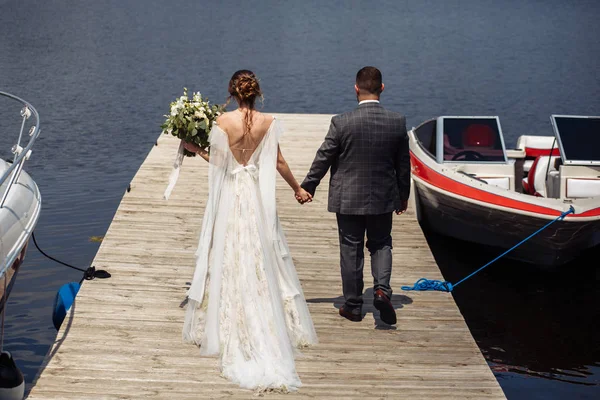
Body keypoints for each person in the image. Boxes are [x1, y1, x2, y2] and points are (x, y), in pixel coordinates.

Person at [181, 70, 317, 392]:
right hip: (255, 195)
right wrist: (298, 189)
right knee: (260, 249)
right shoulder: (268, 122)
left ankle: (228, 319)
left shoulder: (222, 122)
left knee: (229, 248)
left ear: (232, 91)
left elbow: (217, 161)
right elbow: (279, 162)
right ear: (256, 92)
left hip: (231, 192)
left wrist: (191, 147)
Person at [301, 66, 411, 326]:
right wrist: (403, 195)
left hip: (348, 198)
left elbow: (324, 156)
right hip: (383, 197)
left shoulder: (342, 122)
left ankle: (352, 307)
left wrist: (309, 185)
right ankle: (382, 289)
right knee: (381, 243)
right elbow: (403, 164)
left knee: (351, 249)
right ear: (382, 88)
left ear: (356, 88)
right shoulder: (397, 121)